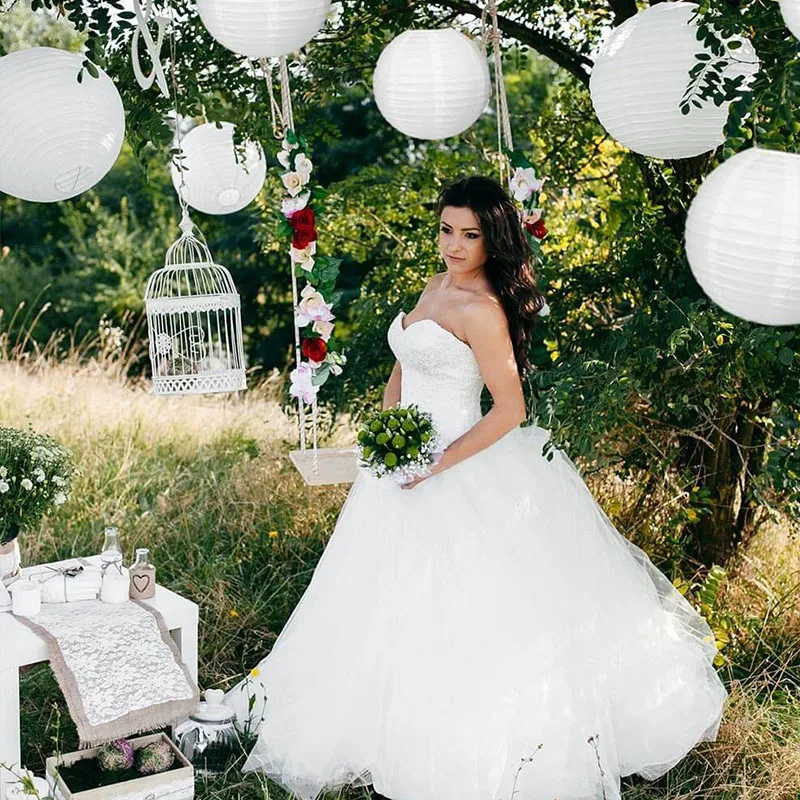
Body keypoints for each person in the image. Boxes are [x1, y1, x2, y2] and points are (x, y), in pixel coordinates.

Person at [225, 175, 728, 800]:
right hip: (397, 463)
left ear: (493, 240)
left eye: (471, 235)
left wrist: (436, 463)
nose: (455, 246)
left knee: (466, 606)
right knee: (379, 595)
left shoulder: (484, 310)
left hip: (459, 462)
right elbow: (403, 366)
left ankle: (462, 740)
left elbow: (509, 409)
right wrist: (387, 432)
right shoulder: (435, 285)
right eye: (447, 230)